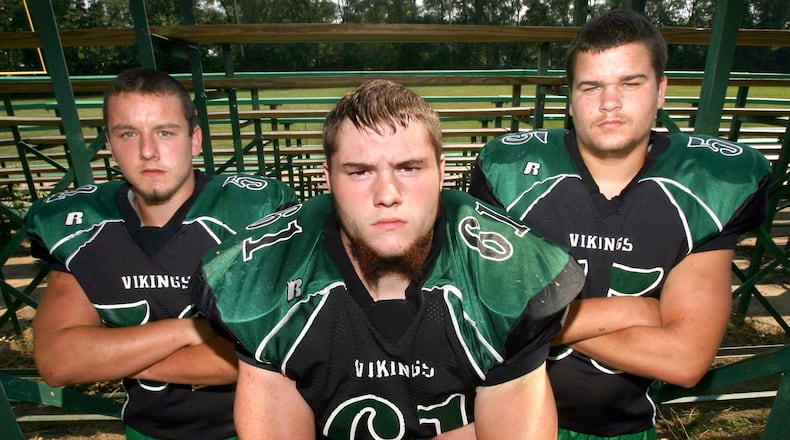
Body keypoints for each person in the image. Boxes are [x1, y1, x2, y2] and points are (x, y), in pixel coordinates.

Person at [192, 79, 585, 439]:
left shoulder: (503, 277)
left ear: (442, 172)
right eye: (360, 171)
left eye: (409, 168)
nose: (387, 193)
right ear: (327, 179)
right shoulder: (269, 280)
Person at [468, 10, 771, 440]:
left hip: (621, 430)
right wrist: (634, 312)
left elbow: (684, 359)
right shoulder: (514, 175)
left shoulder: (703, 187)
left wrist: (536, 327)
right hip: (504, 421)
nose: (609, 102)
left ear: (661, 90)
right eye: (591, 86)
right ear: (570, 98)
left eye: (630, 83)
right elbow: (477, 321)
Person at [25, 67, 298, 440]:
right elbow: (59, 362)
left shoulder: (250, 213)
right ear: (109, 141)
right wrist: (191, 330)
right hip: (147, 430)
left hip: (257, 426)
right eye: (128, 134)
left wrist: (113, 358)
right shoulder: (86, 224)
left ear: (195, 139)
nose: (148, 151)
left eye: (165, 132)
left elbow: (270, 350)